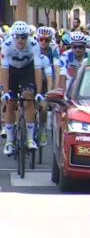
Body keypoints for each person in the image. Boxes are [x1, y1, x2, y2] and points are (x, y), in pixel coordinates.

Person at [0, 21, 45, 154]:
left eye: (24, 37)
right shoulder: (6, 45)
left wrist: (39, 92)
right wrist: (4, 91)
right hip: (11, 72)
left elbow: (38, 69)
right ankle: (9, 141)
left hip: (27, 70)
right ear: (13, 36)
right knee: (10, 102)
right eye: (17, 37)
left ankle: (30, 139)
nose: (20, 40)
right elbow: (4, 70)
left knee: (28, 97)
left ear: (28, 37)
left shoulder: (34, 44)